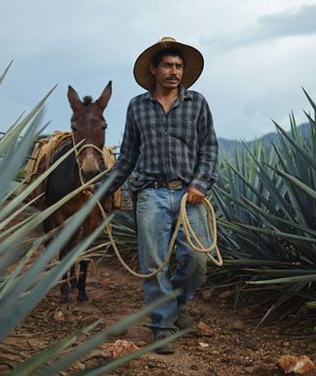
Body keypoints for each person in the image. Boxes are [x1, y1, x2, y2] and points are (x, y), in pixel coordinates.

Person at [104, 36, 219, 354]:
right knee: (153, 264)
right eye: (168, 65)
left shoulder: (197, 103)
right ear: (154, 69)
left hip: (189, 195)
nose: (174, 71)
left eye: (179, 66)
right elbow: (127, 156)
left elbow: (209, 148)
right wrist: (103, 189)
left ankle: (177, 305)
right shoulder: (137, 107)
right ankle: (161, 327)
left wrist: (200, 183)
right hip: (150, 194)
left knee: (196, 259)